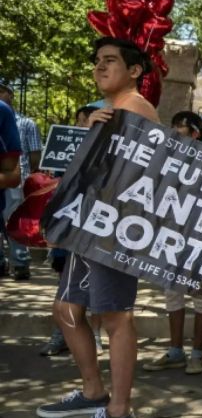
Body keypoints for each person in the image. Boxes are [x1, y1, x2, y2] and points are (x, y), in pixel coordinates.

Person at [38, 36, 159, 418]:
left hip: (117, 230)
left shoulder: (136, 107)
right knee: (67, 309)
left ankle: (119, 408)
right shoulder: (109, 111)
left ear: (134, 70)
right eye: (96, 61)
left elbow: (139, 175)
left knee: (115, 315)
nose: (99, 67)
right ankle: (93, 391)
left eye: (110, 60)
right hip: (90, 226)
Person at [142, 111, 202, 375]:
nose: (175, 130)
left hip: (200, 238)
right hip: (170, 235)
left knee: (201, 296)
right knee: (172, 293)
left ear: (194, 132)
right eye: (173, 125)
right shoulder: (165, 159)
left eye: (180, 126)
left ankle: (197, 353)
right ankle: (175, 352)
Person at [40, 106, 105, 358]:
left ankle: (95, 335)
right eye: (80, 122)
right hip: (66, 226)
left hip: (93, 227)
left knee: (94, 283)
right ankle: (60, 336)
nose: (82, 126)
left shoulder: (104, 153)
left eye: (88, 122)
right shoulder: (63, 147)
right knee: (64, 284)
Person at [0, 81, 31, 279]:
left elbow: (13, 173)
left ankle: (20, 262)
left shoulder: (4, 113)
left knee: (13, 221)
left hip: (14, 187)